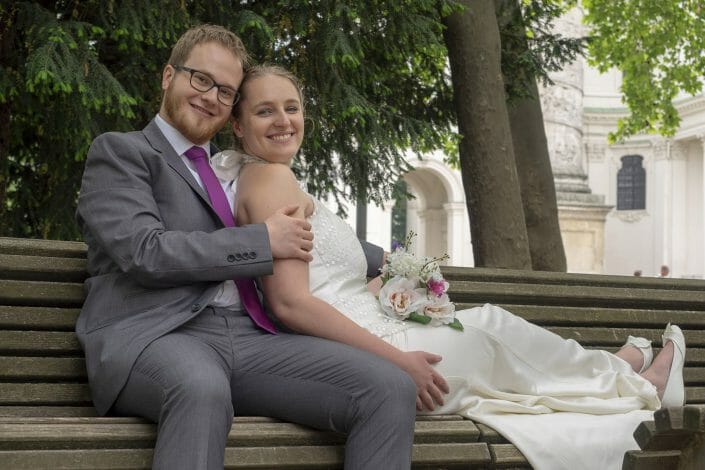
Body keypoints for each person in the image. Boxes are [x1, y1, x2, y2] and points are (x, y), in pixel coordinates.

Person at [221, 64, 688, 470]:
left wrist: (389, 291)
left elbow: (320, 286)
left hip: (368, 330)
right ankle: (627, 377)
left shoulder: (268, 177)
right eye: (265, 111)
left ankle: (620, 372)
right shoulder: (270, 179)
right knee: (489, 326)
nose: (284, 121)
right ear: (238, 125)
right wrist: (398, 362)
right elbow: (290, 303)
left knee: (489, 327)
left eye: (292, 107)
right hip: (373, 352)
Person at [75, 25, 434, 470]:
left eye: (225, 91)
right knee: (201, 388)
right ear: (169, 76)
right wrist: (261, 239)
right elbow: (145, 252)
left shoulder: (234, 172)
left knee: (387, 387)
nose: (210, 96)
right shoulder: (122, 153)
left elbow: (299, 230)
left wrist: (390, 260)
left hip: (249, 338)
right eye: (200, 79)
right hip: (155, 335)